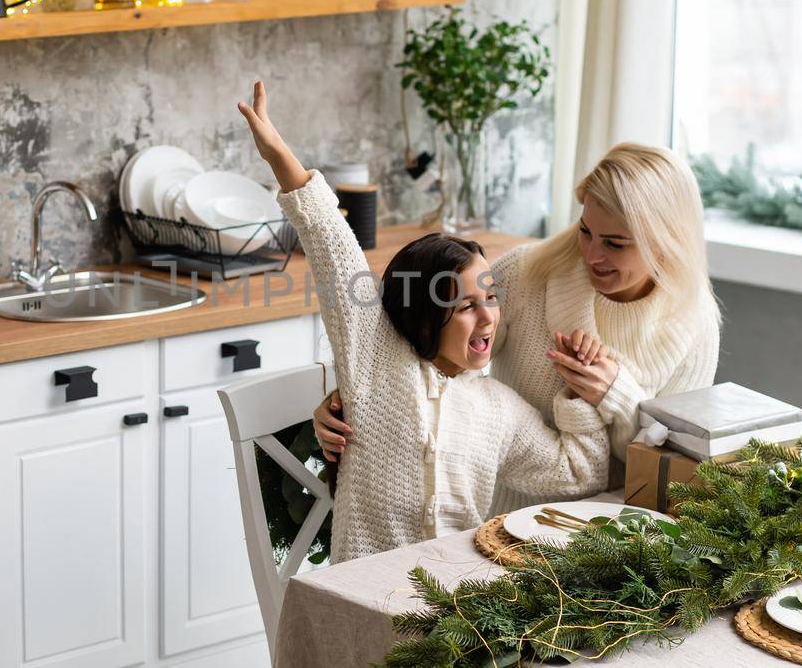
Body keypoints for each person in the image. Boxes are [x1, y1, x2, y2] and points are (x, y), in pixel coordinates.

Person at [238, 81, 611, 562]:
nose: (488, 317)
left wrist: (579, 395)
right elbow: (331, 243)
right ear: (425, 313)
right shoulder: (377, 357)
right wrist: (278, 157)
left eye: (492, 297)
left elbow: (581, 472)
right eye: (465, 306)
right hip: (361, 599)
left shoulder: (500, 409)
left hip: (453, 612)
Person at [315, 141, 722, 513]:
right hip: (498, 523)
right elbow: (426, 349)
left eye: (615, 244)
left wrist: (617, 395)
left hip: (624, 532)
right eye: (585, 232)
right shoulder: (529, 272)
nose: (593, 255)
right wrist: (355, 398)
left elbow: (676, 467)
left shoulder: (694, 325)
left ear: (665, 240)